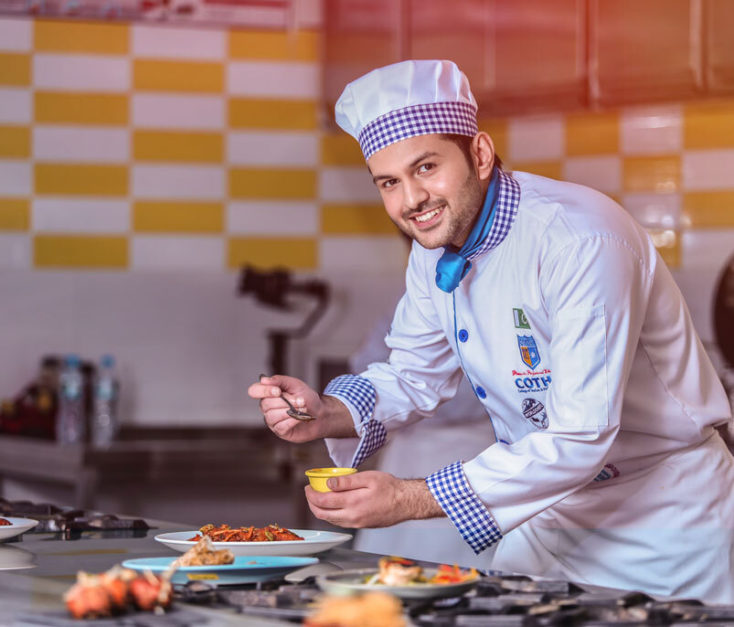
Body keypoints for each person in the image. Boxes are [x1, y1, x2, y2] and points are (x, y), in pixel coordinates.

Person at [249, 59, 734, 602]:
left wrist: (412, 499)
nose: (411, 200)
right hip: (547, 515)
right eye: (389, 182)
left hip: (664, 524)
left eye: (426, 168)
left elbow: (580, 434)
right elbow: (412, 373)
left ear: (478, 154)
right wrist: (329, 413)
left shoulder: (580, 241)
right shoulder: (436, 249)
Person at [349, 259, 495, 567]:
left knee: (464, 576)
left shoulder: (496, 303)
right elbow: (369, 369)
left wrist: (416, 396)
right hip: (409, 452)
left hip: (474, 450)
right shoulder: (409, 302)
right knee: (386, 572)